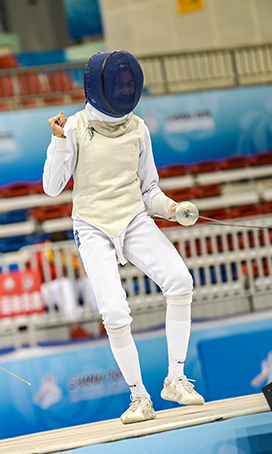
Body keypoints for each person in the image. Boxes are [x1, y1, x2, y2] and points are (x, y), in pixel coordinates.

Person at [43, 51, 204, 425]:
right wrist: (58, 142)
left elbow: (149, 189)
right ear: (101, 86)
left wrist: (172, 209)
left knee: (180, 281)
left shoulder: (138, 128)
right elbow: (52, 187)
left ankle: (175, 379)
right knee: (114, 311)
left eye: (130, 83)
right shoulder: (75, 127)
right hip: (93, 225)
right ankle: (138, 397)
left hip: (133, 218)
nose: (125, 89)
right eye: (119, 83)